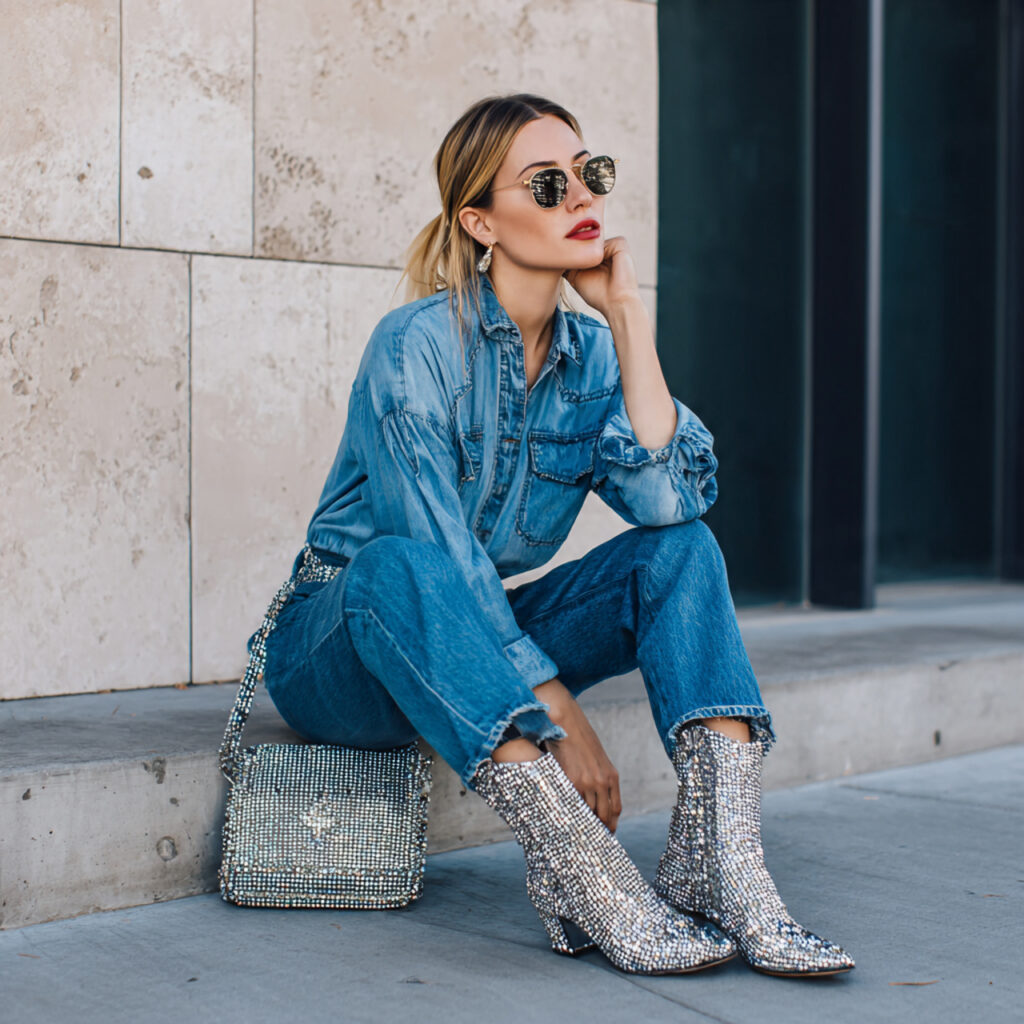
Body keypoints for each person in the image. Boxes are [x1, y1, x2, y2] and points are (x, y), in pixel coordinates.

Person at [259, 94, 854, 977]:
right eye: (547, 183)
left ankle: (722, 861)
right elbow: (433, 546)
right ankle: (584, 870)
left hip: (473, 647)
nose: (581, 196)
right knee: (399, 563)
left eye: (590, 173)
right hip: (344, 648)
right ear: (480, 222)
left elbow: (669, 500)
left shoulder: (592, 355)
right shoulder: (413, 346)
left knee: (682, 552)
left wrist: (628, 316)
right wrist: (555, 706)